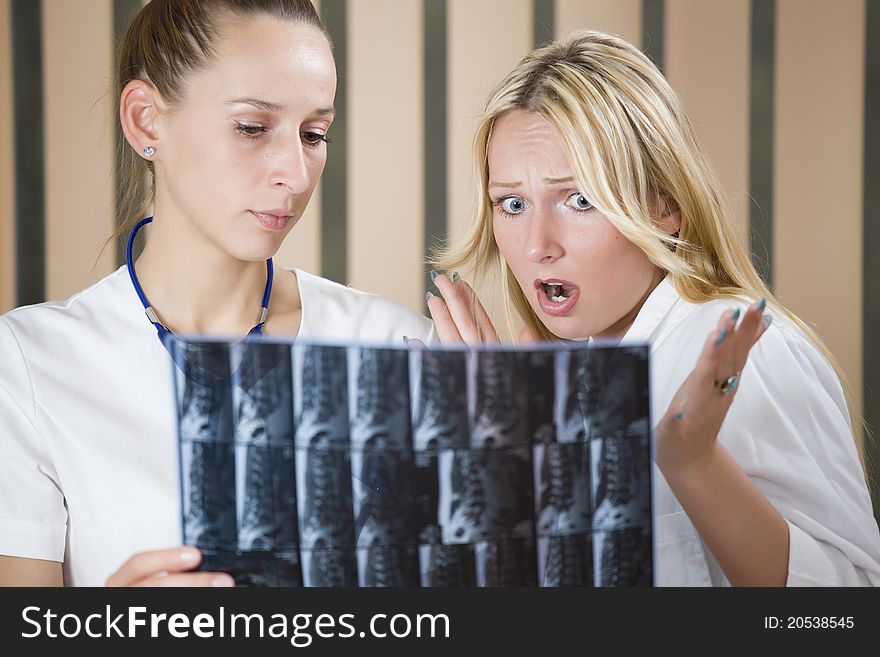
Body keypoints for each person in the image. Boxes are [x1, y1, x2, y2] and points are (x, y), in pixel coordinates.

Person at [0, 0, 432, 587]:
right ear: (146, 120)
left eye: (314, 134)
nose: (296, 174)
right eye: (252, 127)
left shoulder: (396, 346)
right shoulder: (27, 365)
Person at [427, 30, 880, 585]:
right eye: (513, 204)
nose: (538, 243)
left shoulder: (744, 350)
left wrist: (694, 464)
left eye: (580, 199)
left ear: (664, 205)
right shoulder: (567, 376)